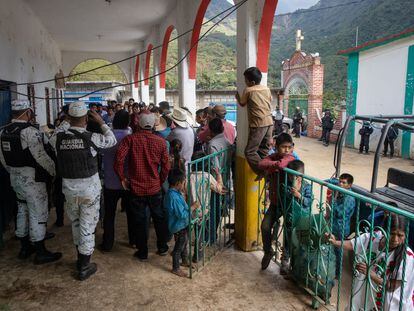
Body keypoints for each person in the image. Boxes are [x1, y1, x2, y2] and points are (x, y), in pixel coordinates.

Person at [50, 101, 117, 280]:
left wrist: (67, 120)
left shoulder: (57, 137)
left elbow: (55, 133)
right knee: (87, 226)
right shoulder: (92, 137)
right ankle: (84, 266)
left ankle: (81, 258)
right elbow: (112, 140)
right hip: (89, 190)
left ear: (68, 118)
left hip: (69, 189)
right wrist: (102, 122)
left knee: (76, 223)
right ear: (86, 118)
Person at [0, 99, 61, 264]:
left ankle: (25, 247)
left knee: (22, 210)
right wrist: (54, 171)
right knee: (38, 212)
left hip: (15, 177)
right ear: (27, 112)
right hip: (32, 179)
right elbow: (40, 156)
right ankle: (41, 251)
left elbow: (2, 158)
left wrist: (13, 171)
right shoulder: (29, 131)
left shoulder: (3, 131)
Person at [327, 213, 414, 311]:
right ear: (384, 231)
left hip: (390, 303)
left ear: (405, 235)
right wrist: (335, 242)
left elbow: (391, 286)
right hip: (366, 293)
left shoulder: (407, 257)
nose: (395, 239)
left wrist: (371, 274)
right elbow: (353, 244)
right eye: (392, 233)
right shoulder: (374, 237)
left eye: (400, 235)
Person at [114, 111, 170, 261]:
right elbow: (166, 166)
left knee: (139, 220)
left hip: (136, 188)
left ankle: (142, 252)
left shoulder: (129, 140)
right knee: (159, 217)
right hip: (154, 187)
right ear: (153, 125)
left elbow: (118, 160)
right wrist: (160, 180)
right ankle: (162, 246)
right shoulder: (161, 142)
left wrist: (122, 179)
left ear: (138, 124)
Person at [258, 133, 296, 271]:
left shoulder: (291, 157)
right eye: (283, 147)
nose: (286, 150)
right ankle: (268, 251)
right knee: (265, 227)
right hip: (276, 201)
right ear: (276, 147)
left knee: (289, 231)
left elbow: (282, 165)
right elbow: (261, 163)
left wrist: (271, 166)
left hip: (289, 202)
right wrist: (273, 164)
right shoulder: (275, 156)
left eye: (288, 147)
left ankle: (285, 259)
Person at [100, 110, 133, 251]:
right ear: (128, 122)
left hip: (110, 182)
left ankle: (107, 244)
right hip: (127, 182)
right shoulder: (131, 137)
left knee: (109, 215)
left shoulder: (107, 137)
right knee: (131, 214)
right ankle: (134, 241)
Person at [235, 67, 273, 176]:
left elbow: (242, 103)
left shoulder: (248, 90)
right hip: (269, 122)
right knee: (264, 149)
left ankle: (263, 172)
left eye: (246, 81)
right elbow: (269, 100)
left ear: (251, 82)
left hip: (258, 124)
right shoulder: (267, 89)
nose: (245, 83)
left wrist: (237, 97)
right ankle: (266, 168)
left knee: (249, 152)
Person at [164, 168, 199, 277]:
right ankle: (175, 268)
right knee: (178, 247)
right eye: (184, 182)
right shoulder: (173, 196)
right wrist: (193, 207)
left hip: (183, 224)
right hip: (178, 225)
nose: (185, 184)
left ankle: (185, 260)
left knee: (184, 243)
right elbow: (182, 215)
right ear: (178, 183)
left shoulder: (176, 193)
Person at [281, 160, 313, 275]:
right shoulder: (286, 184)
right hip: (290, 218)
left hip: (302, 220)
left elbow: (309, 202)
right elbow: (285, 199)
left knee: (299, 244)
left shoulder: (307, 186)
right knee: (287, 240)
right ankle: (284, 262)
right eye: (292, 176)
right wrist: (291, 191)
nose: (295, 179)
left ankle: (296, 269)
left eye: (298, 177)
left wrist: (299, 195)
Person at [325, 173, 356, 278]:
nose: (340, 184)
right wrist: (334, 182)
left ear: (349, 185)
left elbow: (339, 213)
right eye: (340, 181)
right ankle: (329, 268)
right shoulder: (339, 188)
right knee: (330, 247)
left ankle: (337, 273)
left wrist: (333, 201)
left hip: (340, 228)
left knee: (338, 250)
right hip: (333, 225)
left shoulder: (349, 198)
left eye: (343, 183)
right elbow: (326, 181)